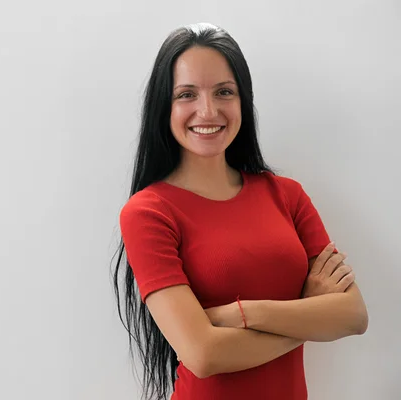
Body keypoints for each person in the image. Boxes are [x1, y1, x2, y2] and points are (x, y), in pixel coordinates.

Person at [112, 22, 368, 400]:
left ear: (243, 100)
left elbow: (353, 316)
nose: (208, 110)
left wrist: (239, 315)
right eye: (187, 94)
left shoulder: (287, 196)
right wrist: (307, 312)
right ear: (163, 106)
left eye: (224, 92)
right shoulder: (148, 213)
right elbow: (202, 354)